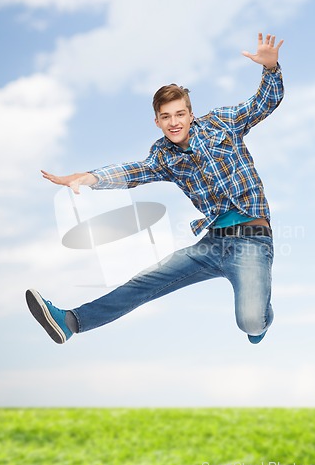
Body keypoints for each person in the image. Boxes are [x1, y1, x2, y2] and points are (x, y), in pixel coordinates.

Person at [26, 32, 284, 345]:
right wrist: (89, 178)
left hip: (252, 242)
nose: (174, 122)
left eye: (179, 114)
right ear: (157, 121)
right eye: (166, 117)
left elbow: (263, 103)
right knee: (144, 282)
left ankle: (260, 317)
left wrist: (270, 68)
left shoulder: (221, 122)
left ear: (190, 114)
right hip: (212, 243)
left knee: (251, 322)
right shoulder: (163, 154)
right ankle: (70, 321)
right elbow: (134, 171)